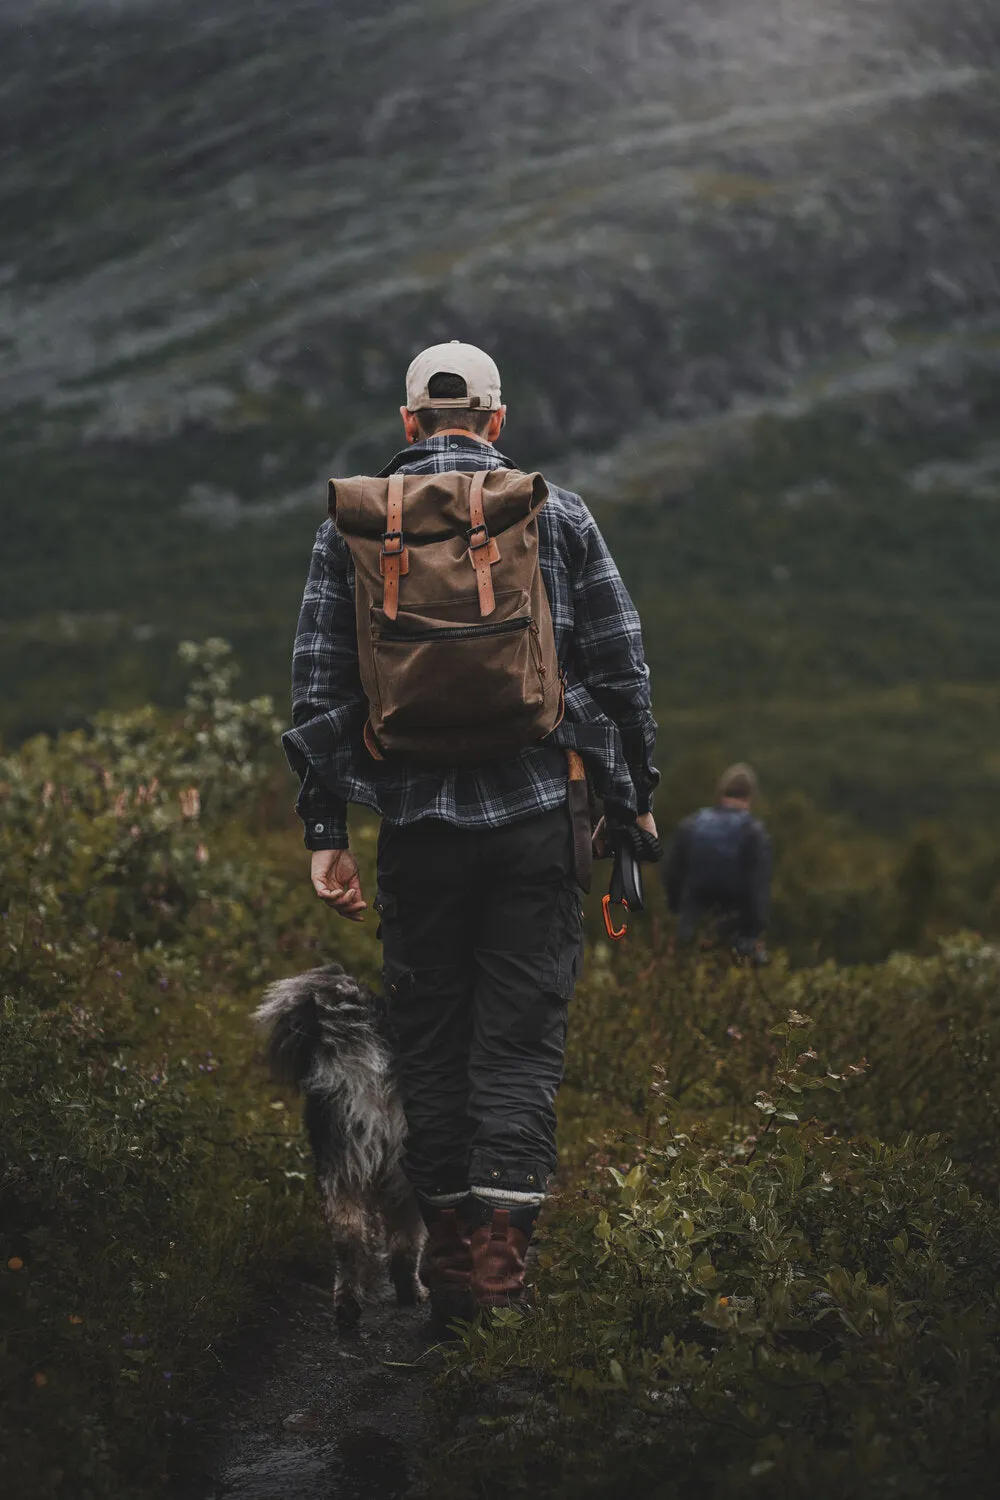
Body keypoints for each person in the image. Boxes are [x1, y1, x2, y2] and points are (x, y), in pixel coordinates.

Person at [282, 341, 659, 1320]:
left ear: (409, 423)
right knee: (520, 1046)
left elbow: (320, 686)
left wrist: (326, 829)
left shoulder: (357, 529)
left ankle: (449, 1261)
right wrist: (634, 799)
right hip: (539, 821)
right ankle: (502, 1265)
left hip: (415, 829)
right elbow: (619, 667)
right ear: (496, 420)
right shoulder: (553, 510)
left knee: (430, 1045)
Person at [664, 763, 771, 960]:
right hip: (735, 933)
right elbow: (757, 889)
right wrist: (754, 933)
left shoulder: (691, 824)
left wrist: (677, 913)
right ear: (749, 796)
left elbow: (673, 877)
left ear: (721, 793)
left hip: (692, 924)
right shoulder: (754, 833)